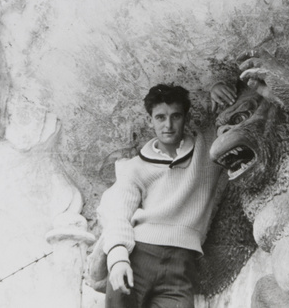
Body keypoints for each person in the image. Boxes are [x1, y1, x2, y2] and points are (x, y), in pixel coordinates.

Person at [97, 82, 236, 308]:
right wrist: (118, 258)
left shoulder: (207, 148)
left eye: (176, 116)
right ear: (151, 120)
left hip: (181, 267)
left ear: (186, 118)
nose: (168, 125)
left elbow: (229, 112)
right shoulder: (135, 167)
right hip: (138, 257)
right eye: (160, 117)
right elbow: (117, 213)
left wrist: (219, 87)